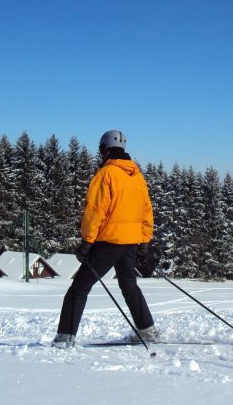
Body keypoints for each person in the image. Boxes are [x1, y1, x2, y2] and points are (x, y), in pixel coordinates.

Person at [51, 130, 157, 348]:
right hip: (130, 242)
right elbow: (147, 211)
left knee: (79, 288)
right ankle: (147, 331)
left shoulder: (106, 175)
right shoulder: (137, 177)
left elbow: (95, 211)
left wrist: (87, 242)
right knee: (129, 286)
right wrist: (144, 241)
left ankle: (65, 337)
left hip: (108, 241)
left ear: (105, 150)